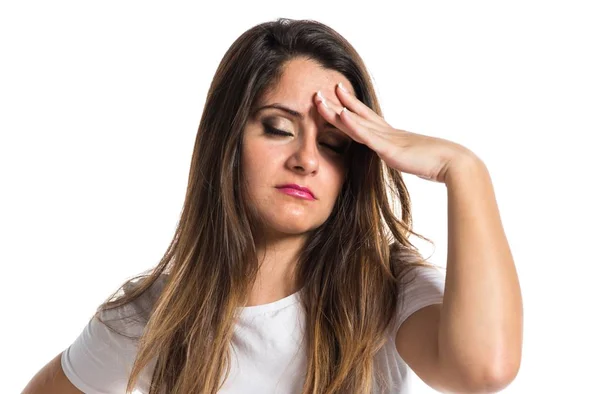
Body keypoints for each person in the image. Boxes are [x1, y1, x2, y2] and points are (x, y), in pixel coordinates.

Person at [23, 17, 522, 394]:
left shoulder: (390, 291)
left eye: (333, 144)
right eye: (279, 128)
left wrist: (463, 169)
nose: (306, 159)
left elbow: (484, 369)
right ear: (227, 139)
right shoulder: (153, 315)